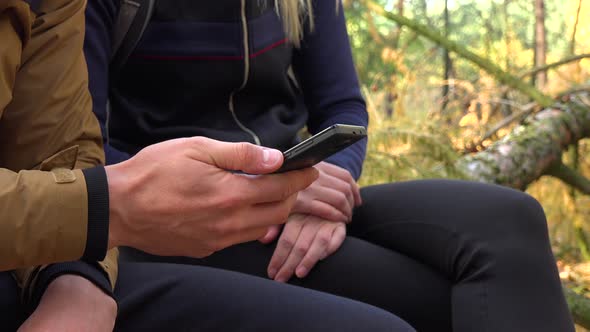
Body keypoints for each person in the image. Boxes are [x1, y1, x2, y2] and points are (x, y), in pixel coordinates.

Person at [84, 0, 576, 331]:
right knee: (442, 303)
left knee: (510, 219)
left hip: (296, 190)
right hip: (171, 226)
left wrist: (313, 183)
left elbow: (343, 108)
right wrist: (259, 191)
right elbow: (83, 150)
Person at [0, 1, 417, 331]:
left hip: (284, 196)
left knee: (478, 230)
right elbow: (88, 157)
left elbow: (58, 149)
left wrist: (320, 189)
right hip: (160, 224)